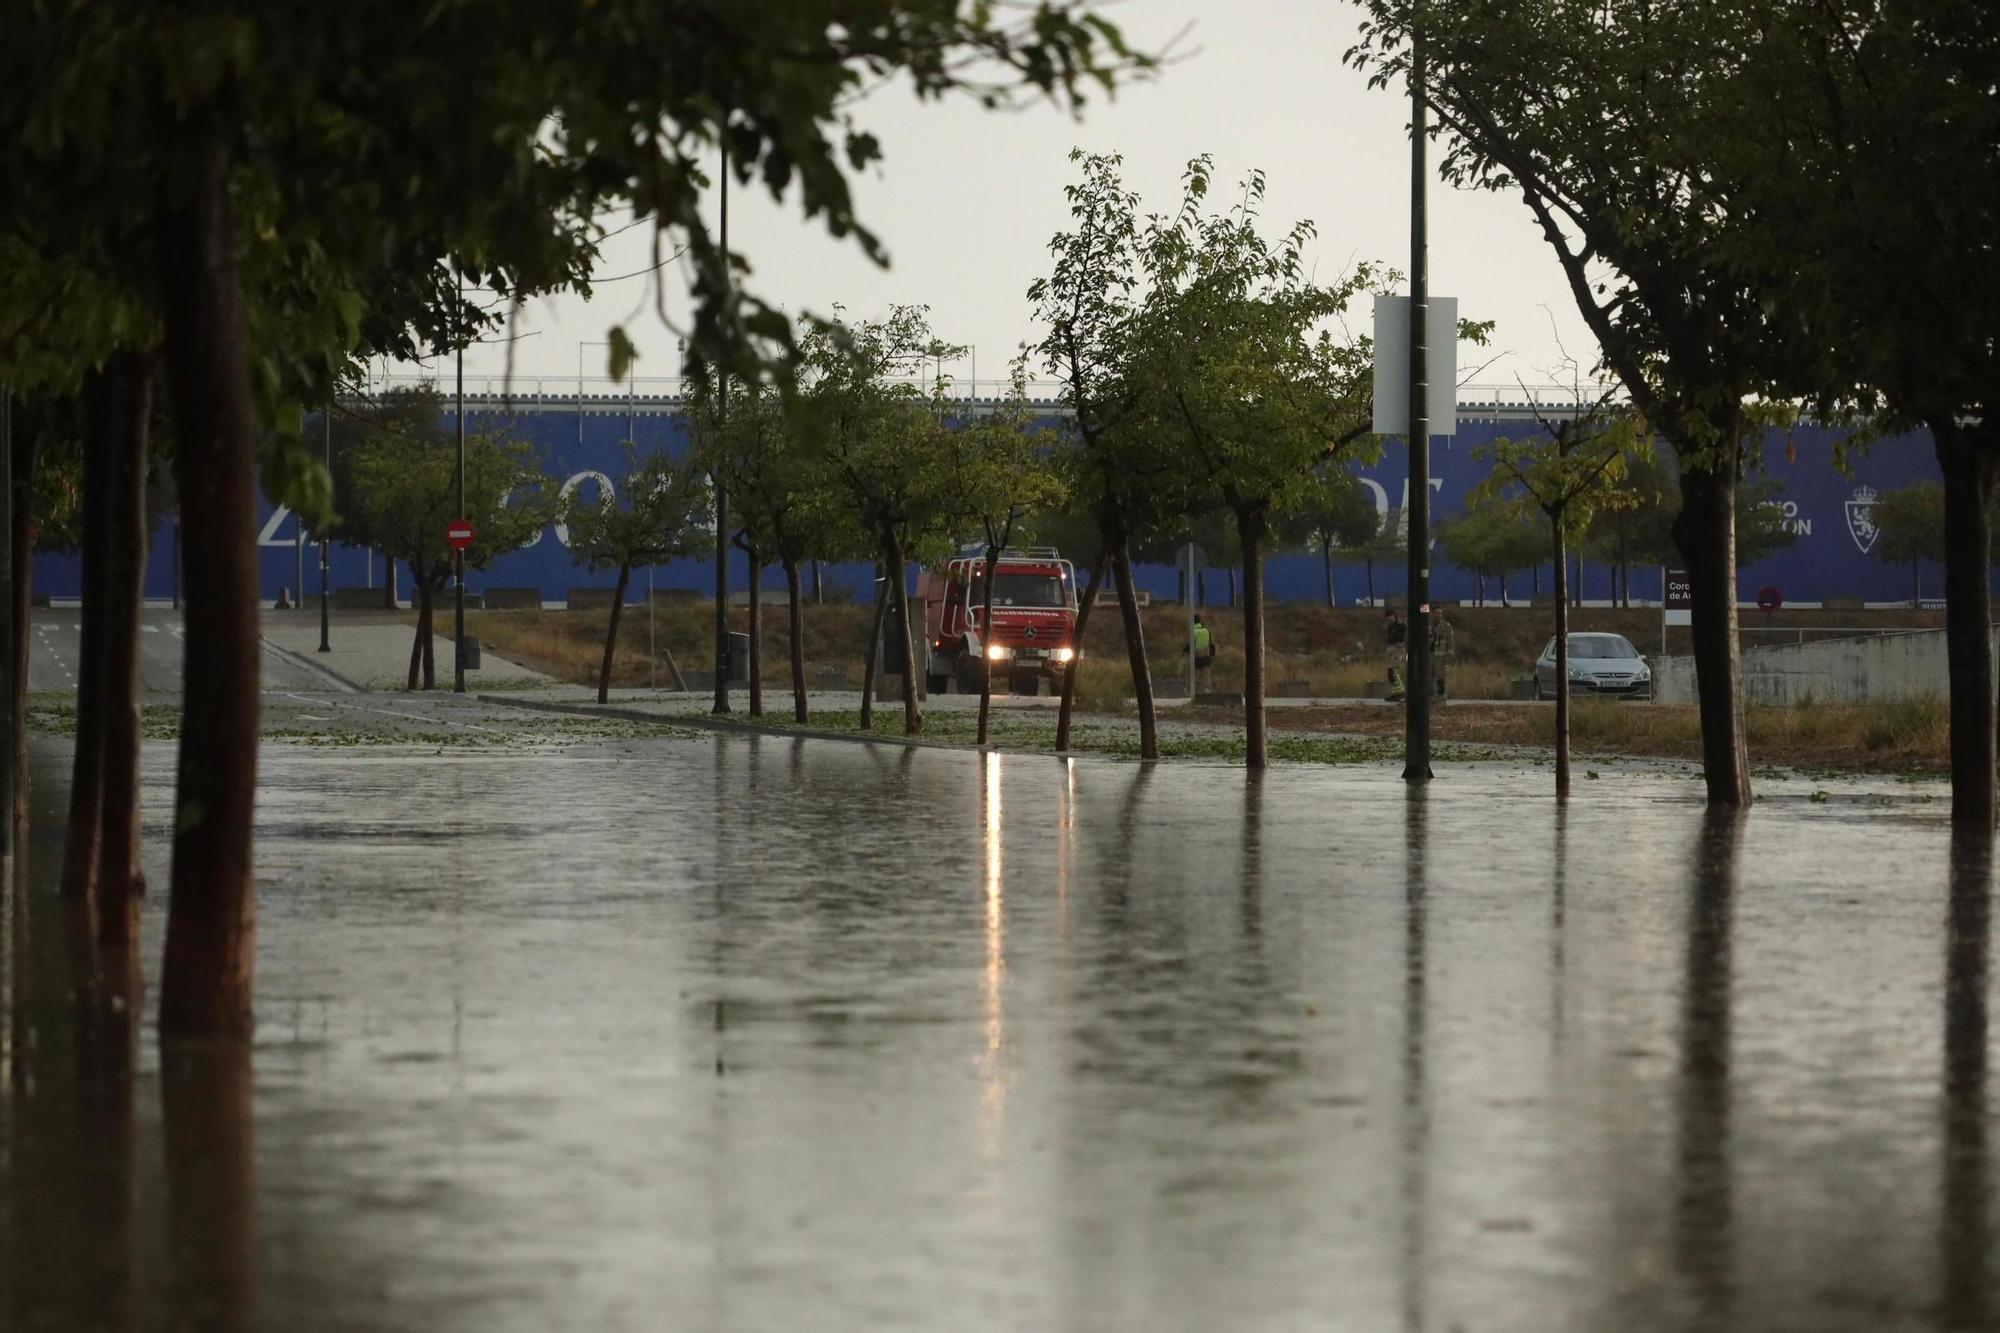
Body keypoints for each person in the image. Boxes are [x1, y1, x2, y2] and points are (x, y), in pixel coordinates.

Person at [1383, 608, 1407, 702]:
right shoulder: (1390, 627)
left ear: (1394, 616)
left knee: (1393, 672)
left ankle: (1400, 692)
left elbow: (1402, 637)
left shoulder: (1401, 625)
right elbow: (1390, 638)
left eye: (1391, 617)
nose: (1390, 619)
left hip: (1399, 650)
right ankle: (1395, 693)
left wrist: (1401, 643)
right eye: (1388, 618)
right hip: (1391, 649)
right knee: (1390, 673)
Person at [1430, 608, 1454, 699]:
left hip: (1441, 655)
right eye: (1437, 613)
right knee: (1430, 676)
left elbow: (1451, 642)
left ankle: (1441, 696)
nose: (1439, 615)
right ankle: (1432, 696)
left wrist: (1449, 655)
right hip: (1430, 654)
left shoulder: (1446, 626)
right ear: (1432, 614)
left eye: (1440, 613)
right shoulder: (1429, 625)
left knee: (1441, 677)